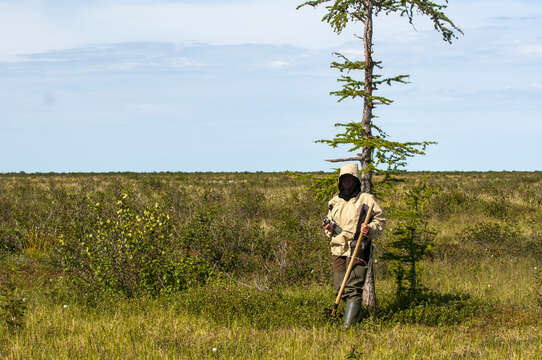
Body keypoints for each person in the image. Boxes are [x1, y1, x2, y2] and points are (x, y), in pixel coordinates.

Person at [322, 163, 385, 327]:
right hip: (338, 248)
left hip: (358, 247)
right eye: (344, 180)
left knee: (353, 288)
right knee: (339, 289)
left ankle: (347, 328)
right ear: (340, 182)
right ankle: (360, 316)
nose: (347, 183)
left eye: (350, 179)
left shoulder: (366, 200)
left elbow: (380, 222)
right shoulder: (334, 202)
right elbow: (330, 225)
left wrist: (369, 228)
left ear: (356, 181)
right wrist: (329, 229)